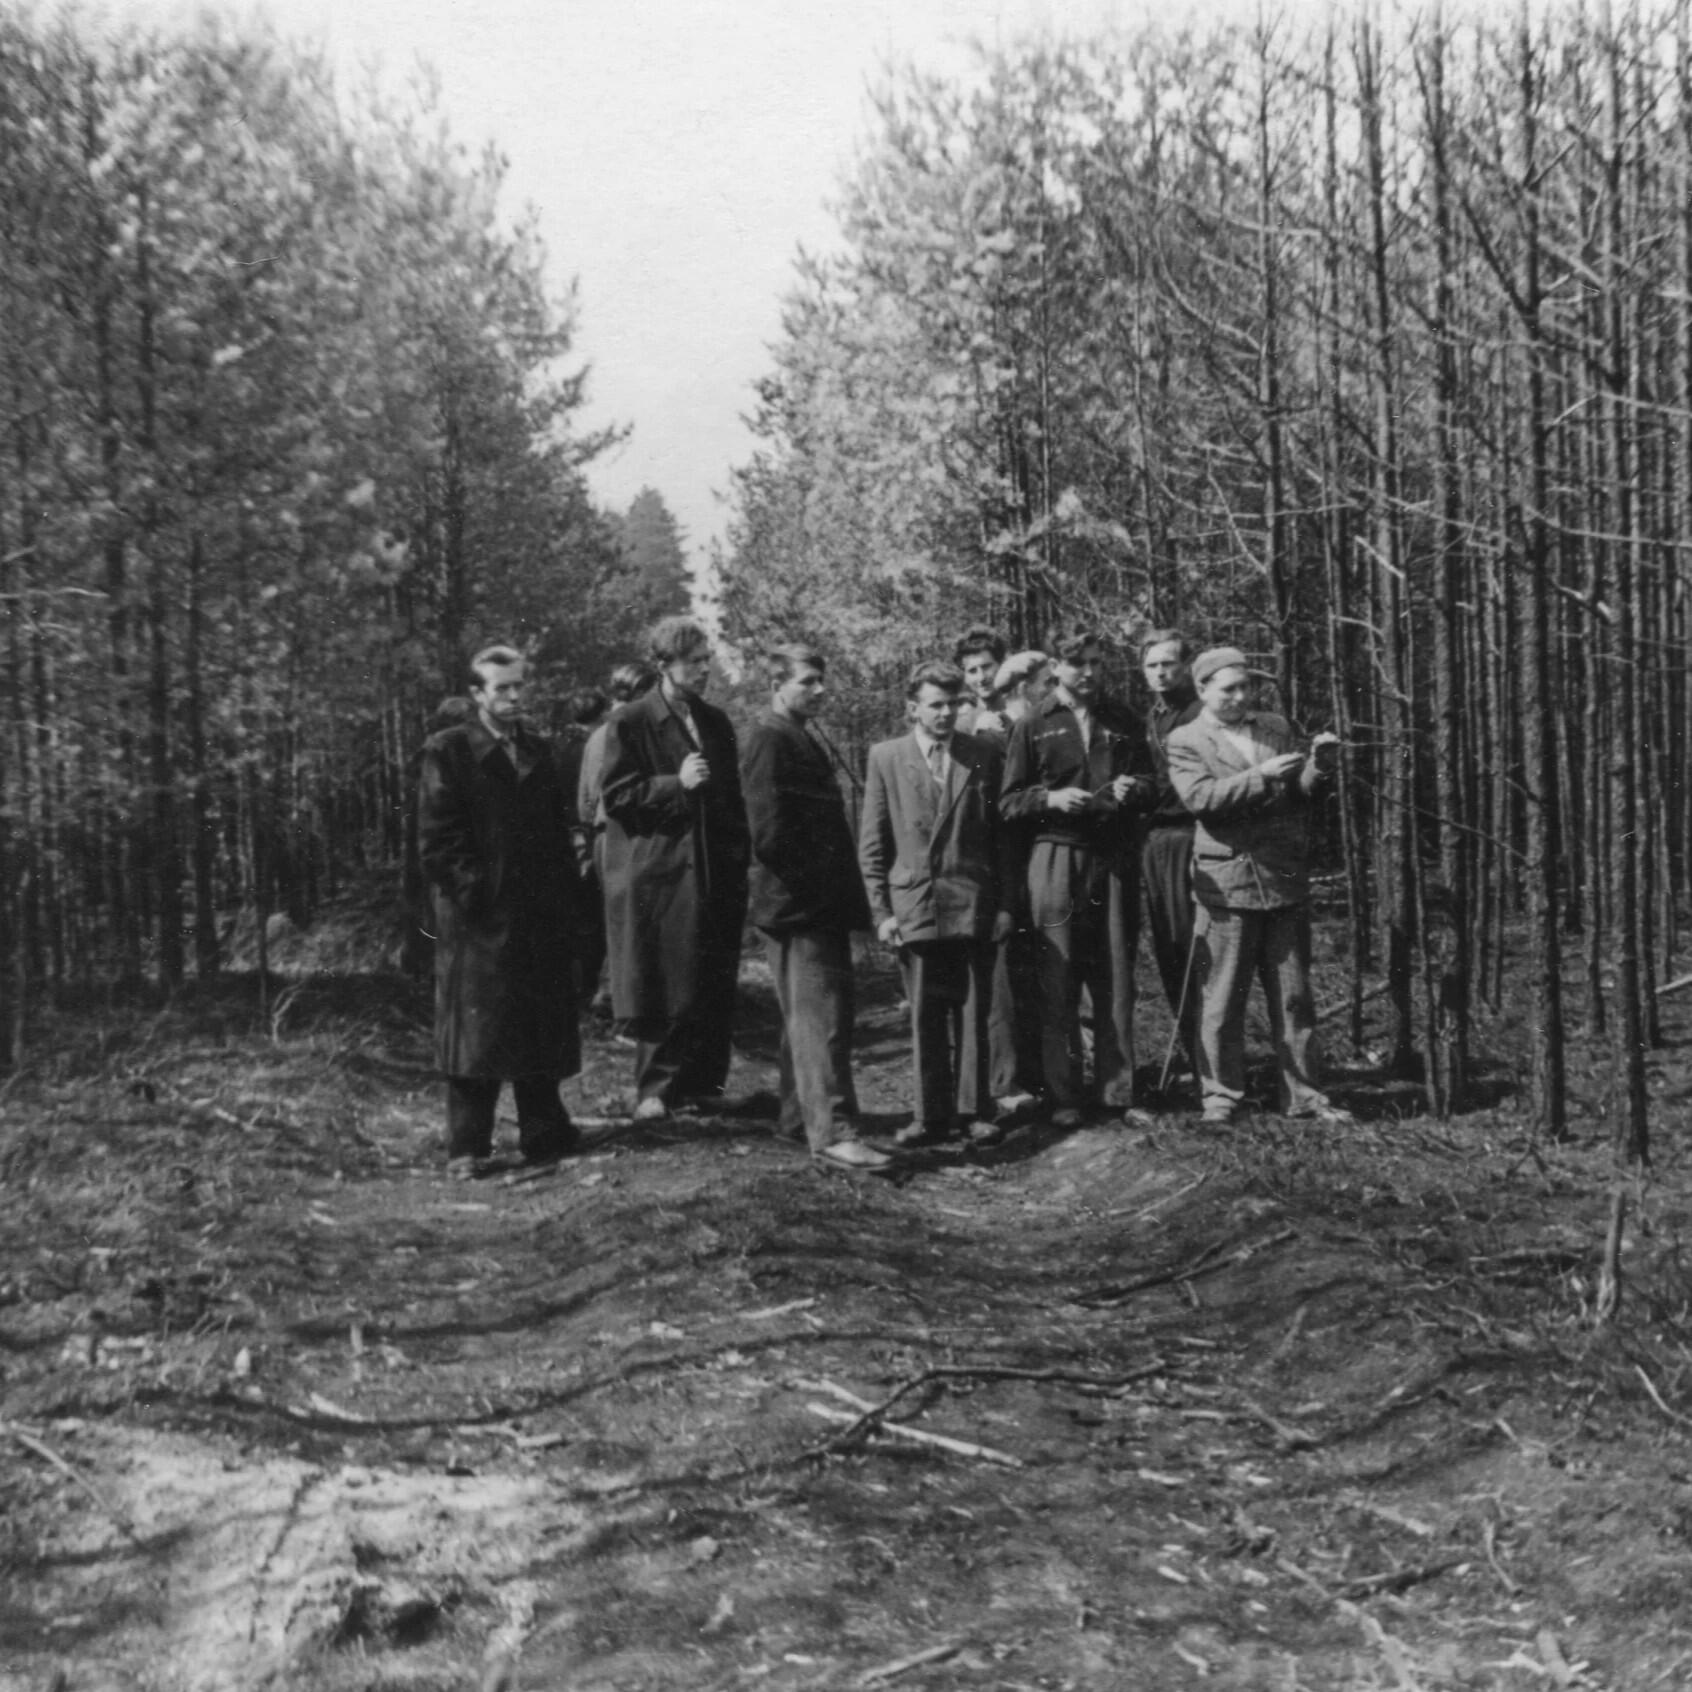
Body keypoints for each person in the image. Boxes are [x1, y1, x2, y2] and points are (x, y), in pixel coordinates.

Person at [1165, 646, 1348, 1126]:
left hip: (1282, 876)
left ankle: (1304, 1095)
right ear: (1202, 690)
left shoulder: (1276, 727)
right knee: (1223, 996)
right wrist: (1259, 775)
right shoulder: (1185, 740)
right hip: (1228, 883)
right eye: (1229, 689)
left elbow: (1297, 794)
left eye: (1246, 687)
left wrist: (1319, 768)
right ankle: (1221, 1096)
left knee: (1293, 995)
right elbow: (1201, 799)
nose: (1241, 697)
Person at [417, 645, 583, 1173]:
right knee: (476, 1037)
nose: (513, 697)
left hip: (538, 916)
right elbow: (437, 841)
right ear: (476, 694)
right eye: (501, 688)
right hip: (477, 924)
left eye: (518, 687)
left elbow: (558, 832)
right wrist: (479, 897)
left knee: (539, 1024)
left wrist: (563, 897)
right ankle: (467, 1147)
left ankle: (544, 1133)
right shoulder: (449, 751)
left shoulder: (538, 750)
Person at [741, 645, 890, 1172]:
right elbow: (768, 834)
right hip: (798, 908)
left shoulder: (797, 735)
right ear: (778, 684)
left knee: (805, 1020)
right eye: (808, 682)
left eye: (822, 680)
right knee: (821, 1020)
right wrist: (819, 886)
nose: (820, 690)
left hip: (811, 906)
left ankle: (795, 1118)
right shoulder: (769, 738)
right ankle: (834, 1133)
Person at [1000, 627, 1156, 1128]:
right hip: (1055, 857)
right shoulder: (1033, 722)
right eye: (1078, 664)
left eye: (1096, 663)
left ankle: (1117, 1091)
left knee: (1113, 976)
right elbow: (1008, 801)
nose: (1089, 673)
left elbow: (1154, 783)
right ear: (1057, 668)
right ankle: (1062, 1093)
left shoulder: (1123, 719)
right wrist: (1049, 799)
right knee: (1058, 975)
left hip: (1110, 858)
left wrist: (1137, 788)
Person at [859, 660, 1013, 1148]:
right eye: (936, 705)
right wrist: (882, 913)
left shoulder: (983, 752)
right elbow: (873, 843)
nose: (946, 713)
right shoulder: (886, 756)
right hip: (916, 904)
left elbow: (1000, 840)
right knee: (924, 1011)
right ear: (913, 709)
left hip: (970, 901)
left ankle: (974, 1110)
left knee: (972, 1010)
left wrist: (1005, 906)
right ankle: (929, 1116)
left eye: (954, 704)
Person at [600, 617, 749, 1122]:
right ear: (663, 666)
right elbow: (618, 798)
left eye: (708, 660)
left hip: (714, 871)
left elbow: (731, 800)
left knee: (711, 977)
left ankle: (704, 1083)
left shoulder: (715, 722)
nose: (706, 669)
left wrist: (736, 861)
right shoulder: (632, 721)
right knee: (665, 980)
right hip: (661, 874)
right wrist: (674, 784)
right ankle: (655, 1090)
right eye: (694, 662)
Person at [1137, 629, 1203, 1083]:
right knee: (1170, 950)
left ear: (1186, 666)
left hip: (1193, 834)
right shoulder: (1152, 716)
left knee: (1196, 948)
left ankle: (1212, 1062)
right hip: (1155, 841)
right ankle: (1195, 1054)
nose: (1161, 672)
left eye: (1169, 663)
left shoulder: (1201, 712)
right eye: (1152, 665)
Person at [576, 663, 657, 1014]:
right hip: (623, 834)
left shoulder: (598, 734)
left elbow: (583, 798)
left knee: (616, 917)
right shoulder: (632, 728)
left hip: (601, 833)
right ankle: (620, 1001)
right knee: (630, 920)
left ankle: (613, 996)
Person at [972, 649, 1049, 744]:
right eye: (1047, 683)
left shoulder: (1047, 715)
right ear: (1023, 687)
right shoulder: (994, 726)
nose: (1050, 688)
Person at [953, 626, 1008, 736]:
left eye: (986, 667)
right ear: (965, 677)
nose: (981, 677)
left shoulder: (1022, 711)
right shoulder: (961, 727)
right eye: (972, 671)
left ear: (1002, 664)